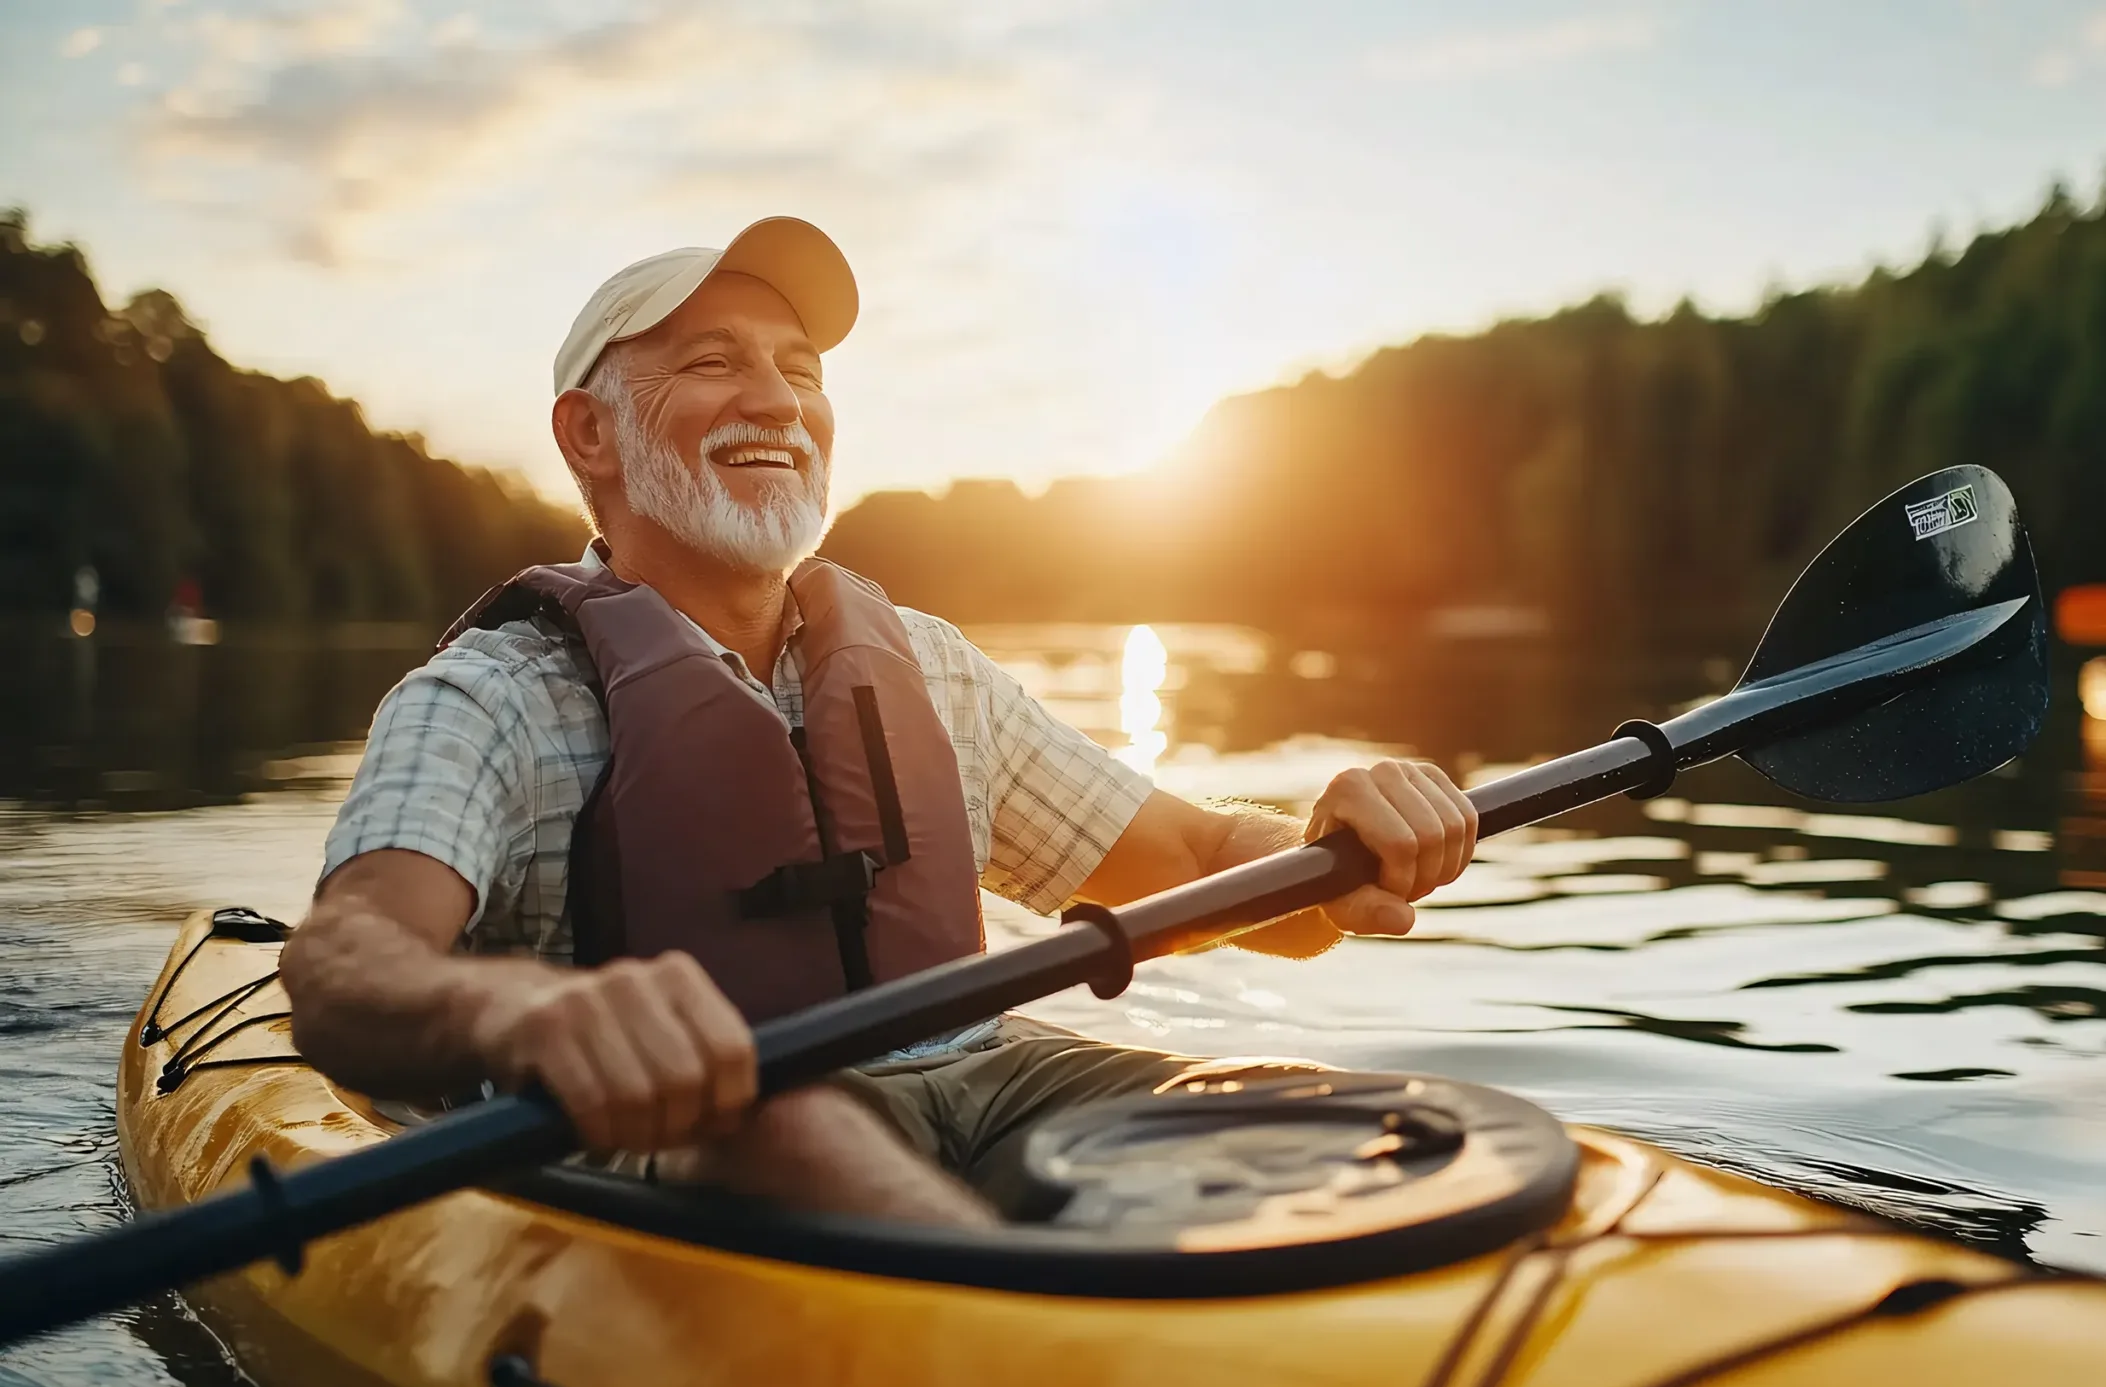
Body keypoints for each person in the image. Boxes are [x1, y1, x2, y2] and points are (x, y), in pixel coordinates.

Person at [279, 218, 1478, 1227]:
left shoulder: (929, 669)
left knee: (1280, 1102)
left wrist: (1331, 856)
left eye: (800, 370)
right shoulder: (492, 696)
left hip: (991, 1088)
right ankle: (1031, 1354)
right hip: (702, 1134)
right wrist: (525, 1011)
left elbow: (1207, 864)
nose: (774, 402)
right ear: (590, 435)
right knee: (777, 1121)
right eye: (710, 364)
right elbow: (344, 969)